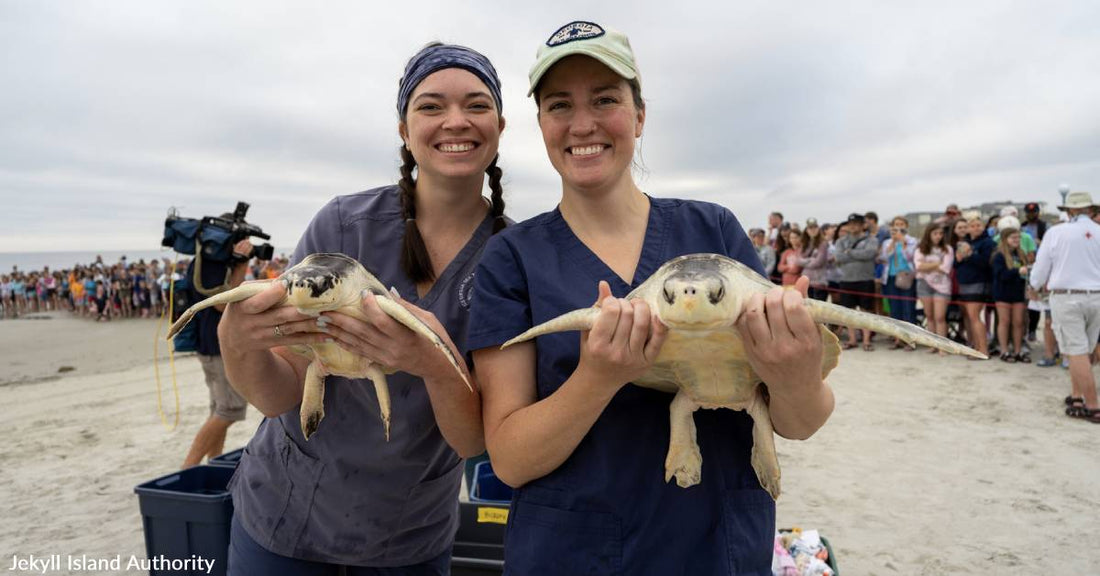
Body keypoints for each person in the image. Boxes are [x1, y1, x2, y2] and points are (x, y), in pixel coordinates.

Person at [467, 21, 833, 575]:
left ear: (639, 115)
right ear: (540, 124)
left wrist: (795, 374)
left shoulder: (714, 232)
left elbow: (801, 422)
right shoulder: (511, 257)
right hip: (571, 555)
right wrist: (598, 377)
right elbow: (511, 460)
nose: (583, 124)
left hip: (717, 548)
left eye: (605, 99)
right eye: (560, 105)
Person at [219, 43, 504, 573]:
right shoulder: (343, 226)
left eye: (476, 104)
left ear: (500, 125)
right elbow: (280, 393)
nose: (455, 121)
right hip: (285, 522)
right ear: (404, 130)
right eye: (431, 106)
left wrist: (433, 364)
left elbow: (473, 441)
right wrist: (235, 342)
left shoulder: (510, 256)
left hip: (410, 537)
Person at [181, 239, 254, 468]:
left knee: (219, 409)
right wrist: (241, 266)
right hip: (217, 347)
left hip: (209, 345)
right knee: (230, 409)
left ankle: (214, 463)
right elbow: (223, 304)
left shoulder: (203, 262)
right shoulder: (212, 264)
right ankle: (188, 468)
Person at [1029, 191, 1100, 422]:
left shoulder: (1057, 232)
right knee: (1084, 349)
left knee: (1075, 351)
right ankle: (1077, 395)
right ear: (1090, 209)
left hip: (1067, 296)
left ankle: (1092, 405)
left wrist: (1034, 285)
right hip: (1097, 296)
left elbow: (1041, 266)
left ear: (1070, 210)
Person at [834, 212, 879, 350]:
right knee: (849, 312)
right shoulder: (841, 241)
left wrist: (849, 253)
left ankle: (866, 341)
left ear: (862, 225)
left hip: (865, 279)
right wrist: (856, 255)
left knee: (866, 311)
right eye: (850, 224)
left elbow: (869, 254)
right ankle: (852, 339)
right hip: (846, 280)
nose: (853, 226)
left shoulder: (871, 240)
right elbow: (839, 257)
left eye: (856, 224)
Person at [954, 215, 994, 357]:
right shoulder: (965, 242)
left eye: (978, 225)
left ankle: (983, 350)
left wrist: (970, 254)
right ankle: (977, 347)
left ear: (983, 227)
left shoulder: (987, 242)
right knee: (971, 318)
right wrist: (959, 258)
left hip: (979, 283)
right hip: (965, 283)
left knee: (975, 316)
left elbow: (986, 263)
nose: (975, 228)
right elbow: (956, 264)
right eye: (972, 226)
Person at [991, 225, 1030, 363]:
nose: (1016, 240)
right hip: (1003, 293)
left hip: (1018, 293)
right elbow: (1000, 274)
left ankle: (1018, 350)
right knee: (1004, 322)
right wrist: (1017, 271)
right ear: (1005, 239)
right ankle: (1004, 350)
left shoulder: (1021, 254)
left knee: (1018, 322)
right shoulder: (999, 255)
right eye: (1013, 237)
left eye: (1018, 237)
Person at [879, 217, 918, 345]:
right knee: (895, 308)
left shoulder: (912, 241)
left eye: (902, 224)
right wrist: (892, 243)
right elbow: (884, 258)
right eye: (896, 224)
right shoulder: (887, 242)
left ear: (906, 226)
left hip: (906, 276)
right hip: (891, 277)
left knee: (908, 308)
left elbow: (911, 257)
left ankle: (910, 339)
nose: (899, 227)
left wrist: (903, 242)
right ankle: (898, 338)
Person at [798, 218, 829, 301]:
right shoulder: (805, 244)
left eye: (815, 227)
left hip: (819, 282)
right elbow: (798, 260)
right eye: (810, 228)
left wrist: (805, 262)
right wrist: (811, 259)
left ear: (818, 228)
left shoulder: (823, 243)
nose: (813, 230)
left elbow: (818, 262)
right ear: (806, 230)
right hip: (806, 281)